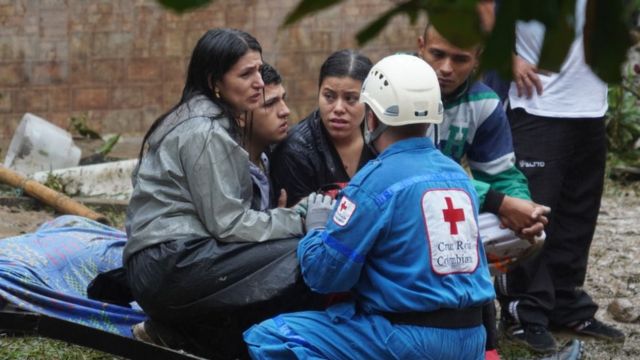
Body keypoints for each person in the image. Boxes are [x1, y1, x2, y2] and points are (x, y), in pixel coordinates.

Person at [244, 54, 495, 360]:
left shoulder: (372, 182)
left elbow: (325, 277)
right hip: (472, 340)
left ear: (371, 117)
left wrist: (318, 225)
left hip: (407, 340)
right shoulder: (459, 177)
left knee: (268, 337)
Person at [123, 29, 318, 359]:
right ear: (216, 82)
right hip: (170, 265)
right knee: (306, 252)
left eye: (259, 69)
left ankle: (175, 333)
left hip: (161, 264)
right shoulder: (206, 130)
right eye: (246, 73)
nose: (258, 81)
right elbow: (229, 225)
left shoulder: (196, 118)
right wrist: (300, 217)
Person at [417, 20, 550, 359]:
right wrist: (498, 201)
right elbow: (414, 173)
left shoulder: (484, 102)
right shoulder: (399, 85)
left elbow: (502, 173)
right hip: (396, 206)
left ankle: (467, 315)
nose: (446, 68)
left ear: (477, 59)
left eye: (459, 59)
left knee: (526, 232)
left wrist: (522, 207)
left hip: (443, 205)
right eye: (437, 54)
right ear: (420, 46)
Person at [498, 0, 625, 353]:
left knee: (577, 215)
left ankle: (565, 305)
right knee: (530, 217)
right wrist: (509, 58)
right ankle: (522, 312)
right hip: (537, 104)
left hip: (590, 106)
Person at [270, 49, 375, 206]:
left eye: (351, 99)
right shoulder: (295, 151)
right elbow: (300, 222)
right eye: (329, 96)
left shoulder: (380, 139)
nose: (339, 108)